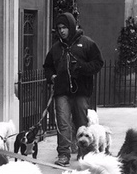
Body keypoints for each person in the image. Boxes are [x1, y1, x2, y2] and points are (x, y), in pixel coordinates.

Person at [43, 12, 104, 166]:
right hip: (61, 91)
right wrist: (52, 77)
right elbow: (47, 66)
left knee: (81, 122)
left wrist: (82, 68)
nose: (62, 31)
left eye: (64, 27)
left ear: (71, 26)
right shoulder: (56, 48)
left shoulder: (87, 44)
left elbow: (98, 63)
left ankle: (84, 154)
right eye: (59, 28)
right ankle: (63, 155)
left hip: (81, 91)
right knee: (63, 123)